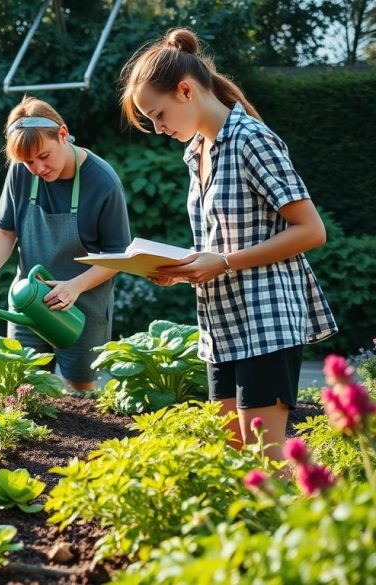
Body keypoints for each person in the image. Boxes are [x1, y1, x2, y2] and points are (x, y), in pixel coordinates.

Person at [119, 28, 337, 459]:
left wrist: (223, 263)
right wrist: (182, 268)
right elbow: (220, 244)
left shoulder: (251, 139)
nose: (159, 128)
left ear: (185, 90)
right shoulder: (196, 151)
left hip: (266, 320)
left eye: (158, 115)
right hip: (220, 325)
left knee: (265, 462)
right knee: (231, 457)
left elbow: (311, 231)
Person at [0, 97, 132, 393]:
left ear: (62, 134)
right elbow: (5, 231)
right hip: (28, 303)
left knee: (81, 391)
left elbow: (117, 256)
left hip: (82, 307)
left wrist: (74, 287)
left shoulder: (103, 181)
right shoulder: (21, 172)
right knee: (23, 386)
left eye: (44, 156)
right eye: (29, 161)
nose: (38, 168)